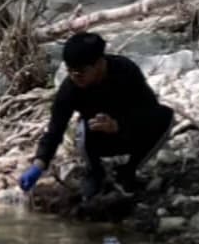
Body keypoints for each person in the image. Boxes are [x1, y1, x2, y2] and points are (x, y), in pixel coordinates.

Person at [18, 32, 175, 206]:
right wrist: (38, 165)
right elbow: (55, 129)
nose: (74, 77)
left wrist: (118, 125)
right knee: (83, 129)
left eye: (80, 72)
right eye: (70, 71)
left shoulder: (125, 70)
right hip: (95, 139)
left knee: (165, 116)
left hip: (130, 132)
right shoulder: (70, 88)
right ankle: (95, 172)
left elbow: (149, 110)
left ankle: (128, 171)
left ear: (99, 63)